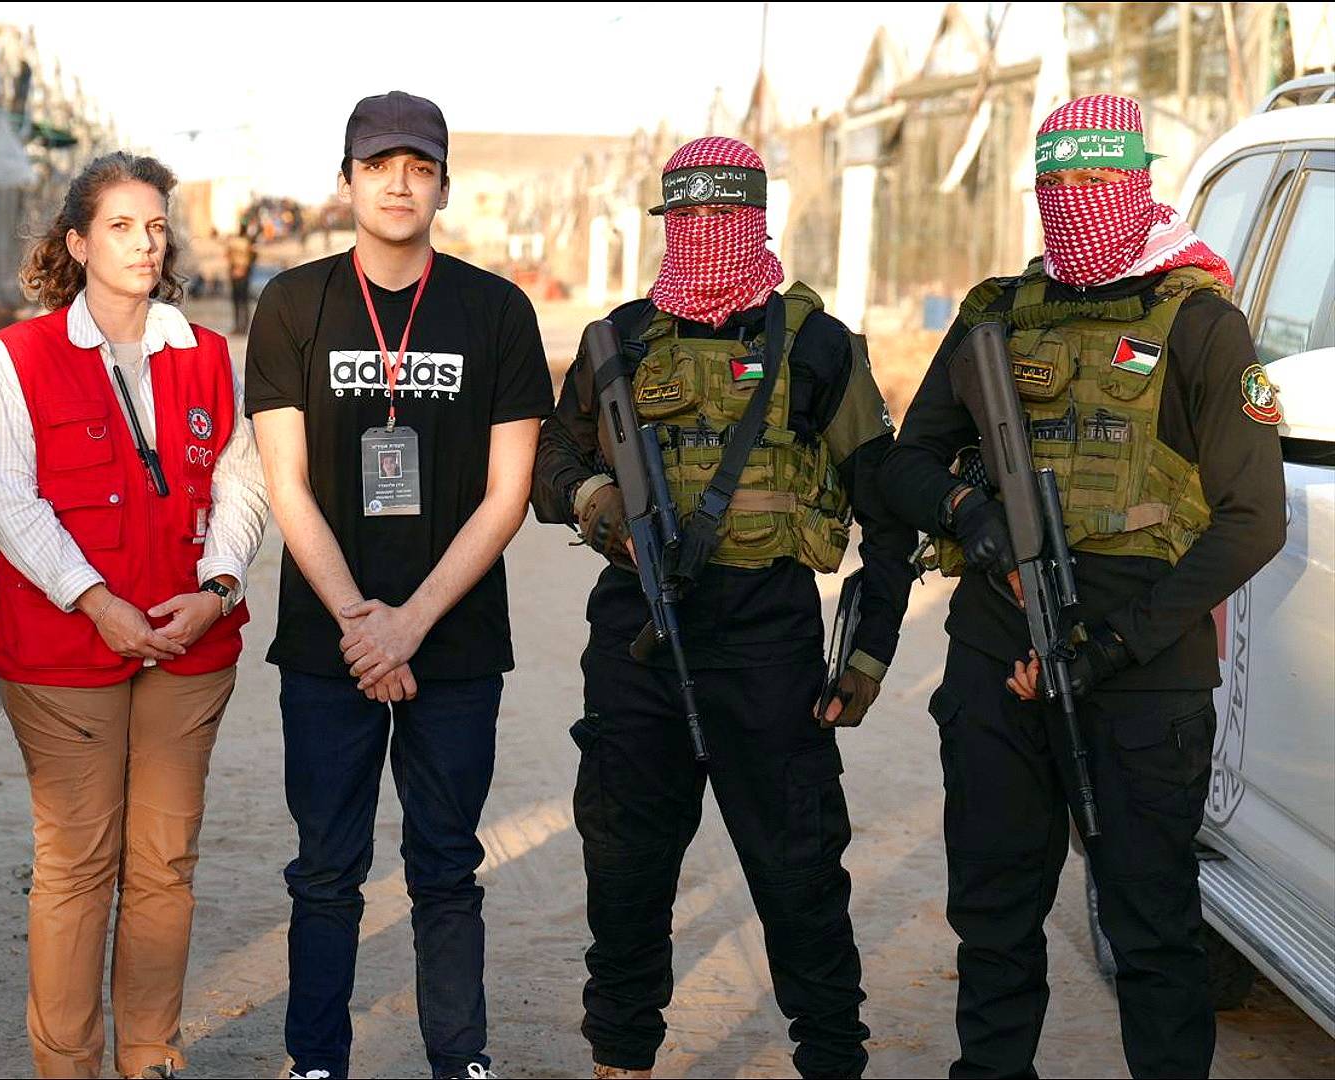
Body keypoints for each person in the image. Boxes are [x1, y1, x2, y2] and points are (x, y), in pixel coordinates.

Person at [880, 94, 1286, 1078]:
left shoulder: (1202, 325)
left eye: (1099, 183)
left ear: (1139, 186)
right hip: (996, 654)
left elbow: (1253, 521)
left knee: (1151, 929)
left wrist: (1110, 647)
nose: (1078, 203)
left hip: (1142, 677)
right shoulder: (996, 315)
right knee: (994, 918)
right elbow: (906, 463)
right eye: (1058, 185)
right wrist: (974, 520)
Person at [532, 136, 914, 1080]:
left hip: (766, 641)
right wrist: (596, 501)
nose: (704, 234)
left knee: (800, 871)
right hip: (637, 638)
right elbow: (551, 458)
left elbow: (887, 505)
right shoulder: (620, 341)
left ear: (755, 222)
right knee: (624, 868)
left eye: (723, 217)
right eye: (687, 217)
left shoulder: (817, 347)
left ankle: (832, 1056)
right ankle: (622, 1055)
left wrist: (867, 652)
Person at [244, 90, 552, 1080]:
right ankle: (315, 1062)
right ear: (346, 182)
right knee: (325, 871)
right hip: (327, 643)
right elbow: (286, 482)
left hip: (452, 642)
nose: (398, 185)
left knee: (447, 866)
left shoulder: (497, 311)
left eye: (420, 168)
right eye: (378, 166)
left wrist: (409, 625)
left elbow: (508, 494)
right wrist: (360, 624)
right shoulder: (293, 305)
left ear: (444, 189)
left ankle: (459, 1060)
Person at [0, 151, 268, 1080]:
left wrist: (218, 587)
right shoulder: (19, 359)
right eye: (120, 227)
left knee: (165, 862)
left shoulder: (206, 356)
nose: (145, 244)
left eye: (156, 227)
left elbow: (241, 481)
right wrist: (95, 601)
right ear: (76, 242)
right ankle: (68, 1066)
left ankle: (150, 1056)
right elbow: (13, 501)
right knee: (76, 865)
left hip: (189, 645)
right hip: (63, 651)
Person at [228, 221, 258, 334]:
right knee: (243, 301)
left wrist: (235, 269)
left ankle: (238, 326)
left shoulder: (233, 242)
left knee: (237, 301)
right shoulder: (248, 242)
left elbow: (228, 256)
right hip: (244, 274)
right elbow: (253, 257)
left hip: (235, 273)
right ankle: (243, 326)